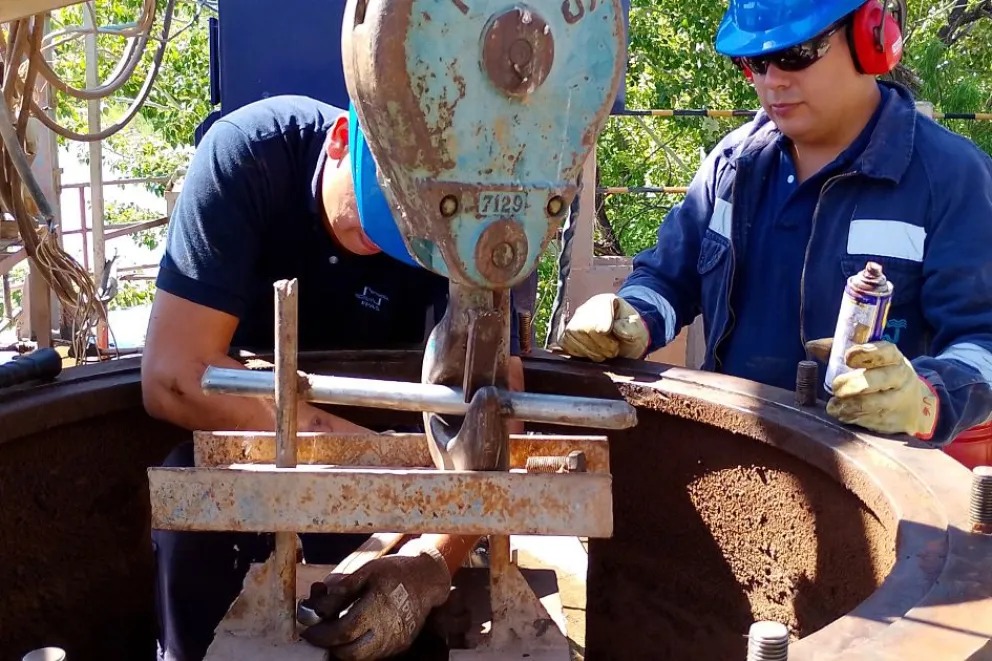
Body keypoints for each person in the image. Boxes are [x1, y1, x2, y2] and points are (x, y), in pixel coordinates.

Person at [141, 94, 530, 660]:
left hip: (402, 481)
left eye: (410, 230)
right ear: (341, 141)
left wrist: (430, 562)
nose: (391, 241)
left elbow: (497, 423)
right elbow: (173, 378)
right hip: (255, 451)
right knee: (192, 500)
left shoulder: (467, 220)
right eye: (378, 215)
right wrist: (375, 461)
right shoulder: (249, 155)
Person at [557, 0, 992, 447]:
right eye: (755, 62)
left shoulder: (950, 179)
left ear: (870, 37)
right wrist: (630, 317)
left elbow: (983, 341)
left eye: (795, 54)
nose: (772, 80)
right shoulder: (733, 166)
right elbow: (668, 279)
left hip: (877, 482)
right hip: (734, 459)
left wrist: (923, 397)